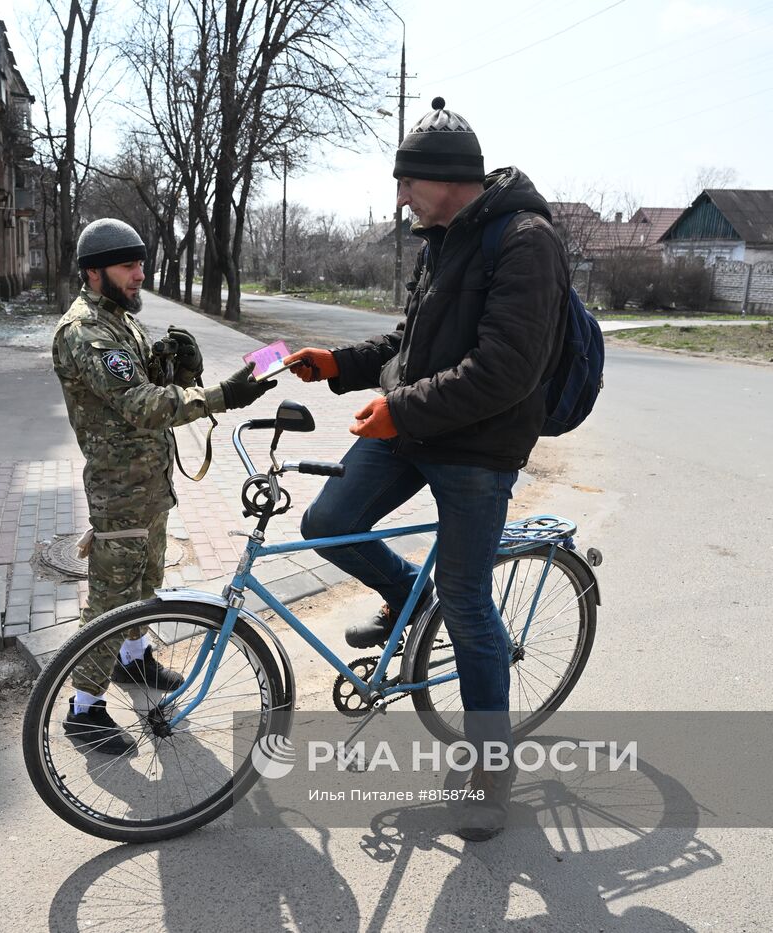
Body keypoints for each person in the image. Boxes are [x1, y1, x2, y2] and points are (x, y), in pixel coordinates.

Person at [284, 98, 570, 840]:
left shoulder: (526, 240)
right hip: (413, 425)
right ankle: (408, 598)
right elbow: (409, 345)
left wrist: (402, 411)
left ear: (445, 179)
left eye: (405, 182)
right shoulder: (440, 238)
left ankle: (488, 768)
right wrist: (338, 365)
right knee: (329, 522)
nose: (400, 196)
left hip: (478, 447)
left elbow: (505, 370)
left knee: (468, 599)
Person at [52, 217, 277, 756]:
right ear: (94, 272)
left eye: (140, 264)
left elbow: (146, 383)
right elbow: (141, 405)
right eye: (128, 266)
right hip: (119, 489)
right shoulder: (86, 331)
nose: (139, 275)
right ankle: (83, 710)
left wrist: (173, 368)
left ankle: (135, 660)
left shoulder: (120, 322)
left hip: (148, 484)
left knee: (145, 580)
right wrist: (218, 394)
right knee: (111, 598)